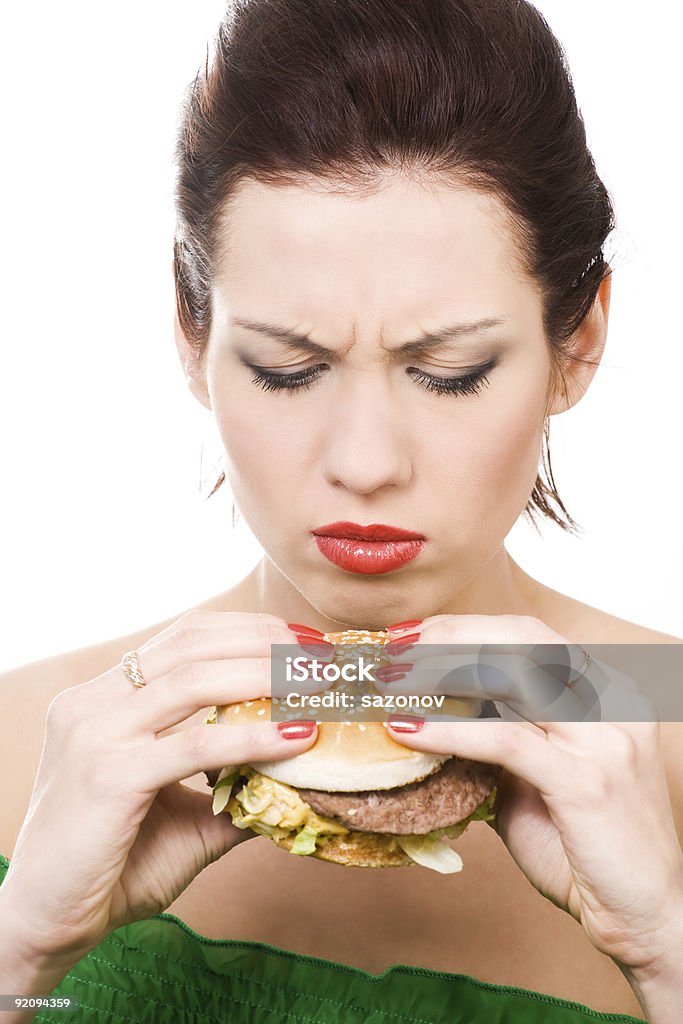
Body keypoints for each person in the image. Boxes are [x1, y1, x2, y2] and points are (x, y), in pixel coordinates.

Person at [0, 0, 682, 1021]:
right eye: (286, 369)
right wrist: (18, 953)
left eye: (449, 373)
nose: (363, 464)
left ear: (576, 343)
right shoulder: (27, 746)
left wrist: (667, 948)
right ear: (193, 334)